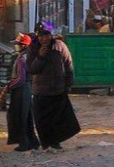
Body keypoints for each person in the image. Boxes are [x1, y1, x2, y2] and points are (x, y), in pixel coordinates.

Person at [28, 21, 80, 151]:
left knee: (58, 119)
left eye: (46, 35)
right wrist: (40, 56)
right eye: (41, 36)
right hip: (41, 91)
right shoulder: (33, 48)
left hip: (58, 90)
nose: (44, 39)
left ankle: (55, 142)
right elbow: (31, 69)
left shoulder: (59, 46)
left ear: (51, 35)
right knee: (42, 120)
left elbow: (68, 65)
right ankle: (46, 143)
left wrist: (68, 83)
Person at [0, 33, 38, 152]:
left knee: (19, 117)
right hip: (27, 89)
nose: (16, 46)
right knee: (27, 116)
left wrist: (9, 86)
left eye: (18, 44)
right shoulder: (27, 56)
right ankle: (33, 142)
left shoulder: (22, 59)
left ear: (23, 46)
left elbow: (20, 78)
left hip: (21, 90)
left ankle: (24, 143)